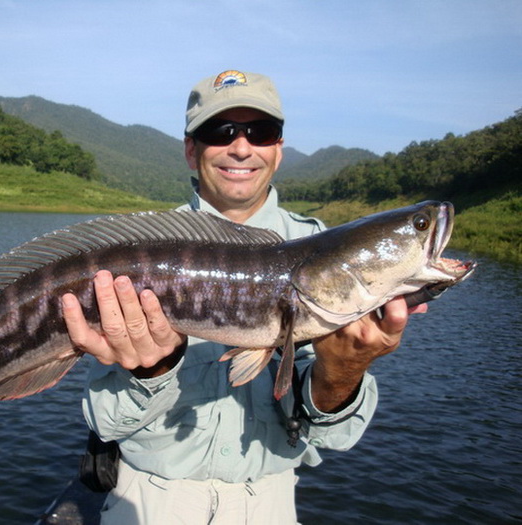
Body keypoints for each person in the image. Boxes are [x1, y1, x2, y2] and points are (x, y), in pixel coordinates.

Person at [61, 70, 425, 524]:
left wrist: (345, 367)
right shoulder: (140, 255)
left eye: (261, 131)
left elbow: (333, 437)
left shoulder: (327, 256)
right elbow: (106, 422)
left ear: (278, 150)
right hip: (149, 502)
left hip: (269, 504)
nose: (240, 146)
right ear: (191, 150)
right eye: (221, 131)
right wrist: (151, 368)